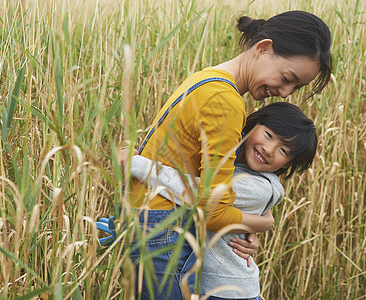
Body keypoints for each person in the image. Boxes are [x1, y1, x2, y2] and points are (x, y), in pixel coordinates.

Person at [102, 10, 332, 299]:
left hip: (149, 223)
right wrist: (263, 222)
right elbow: (214, 212)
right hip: (166, 231)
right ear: (263, 48)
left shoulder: (206, 79)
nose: (286, 92)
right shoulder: (225, 102)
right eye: (287, 78)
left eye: (296, 87)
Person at [129, 102, 318, 299]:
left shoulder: (257, 187)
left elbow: (195, 192)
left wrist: (140, 166)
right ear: (252, 123)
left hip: (229, 289)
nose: (269, 149)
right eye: (269, 135)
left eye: (284, 151)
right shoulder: (233, 163)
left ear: (288, 165)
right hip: (210, 284)